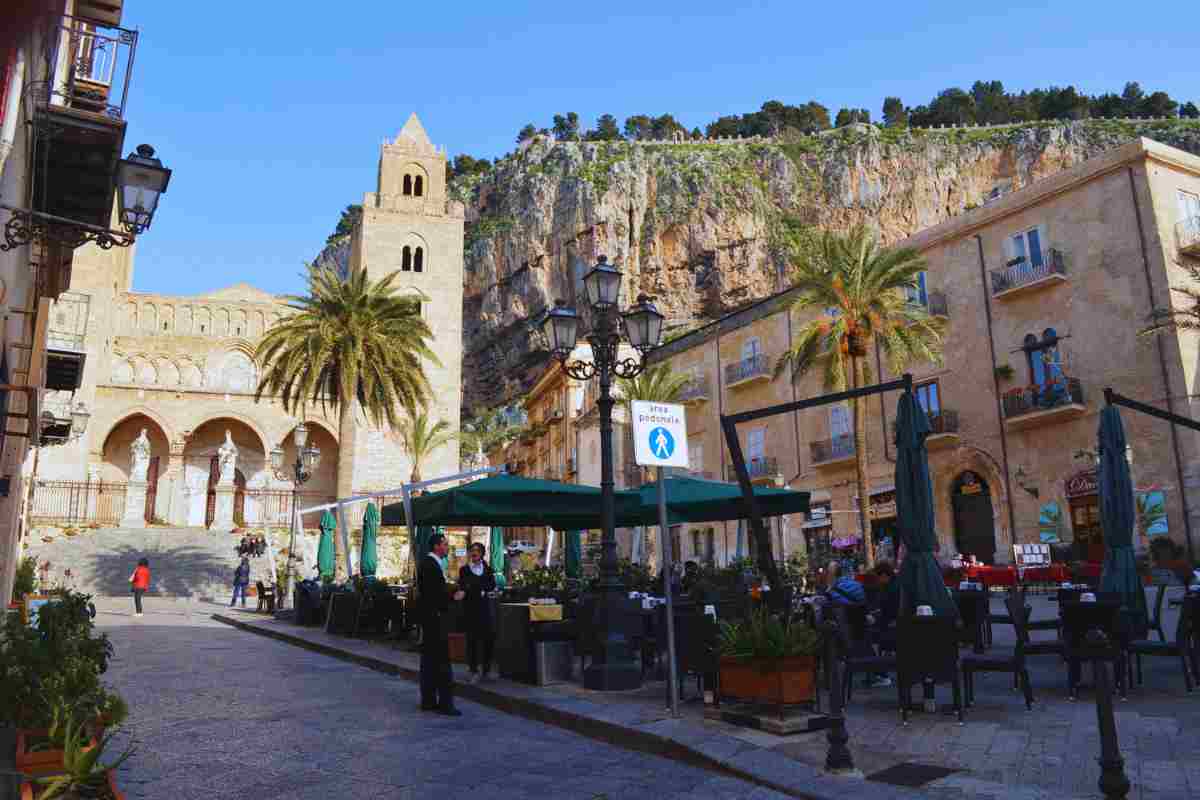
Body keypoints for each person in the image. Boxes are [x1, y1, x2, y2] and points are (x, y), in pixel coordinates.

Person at [418, 533, 463, 715]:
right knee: (442, 661)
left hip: (429, 619)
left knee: (429, 661)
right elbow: (436, 594)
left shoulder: (428, 564)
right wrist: (454, 596)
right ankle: (445, 703)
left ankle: (428, 700)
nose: (447, 547)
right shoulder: (432, 565)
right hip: (436, 619)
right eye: (445, 544)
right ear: (437, 546)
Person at [457, 542, 496, 683]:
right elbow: (463, 585)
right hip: (471, 610)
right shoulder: (464, 570)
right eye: (472, 551)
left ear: (482, 553)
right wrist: (477, 588)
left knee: (488, 639)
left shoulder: (488, 569)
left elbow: (491, 585)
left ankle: (486, 668)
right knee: (472, 640)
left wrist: (473, 587)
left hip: (485, 609)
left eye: (477, 551)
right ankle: (473, 669)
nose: (474, 553)